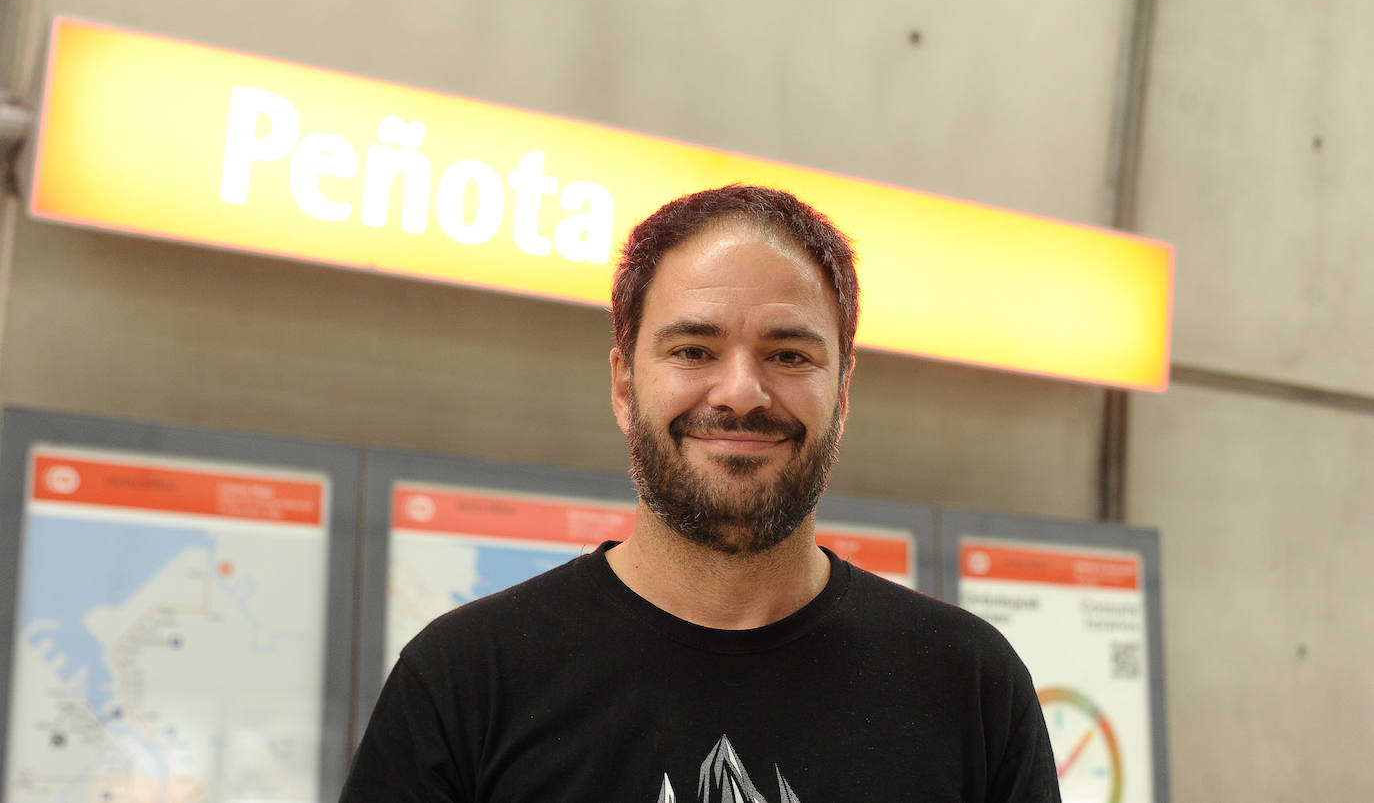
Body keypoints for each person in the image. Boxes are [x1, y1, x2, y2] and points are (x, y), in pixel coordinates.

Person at [339, 185, 1061, 802]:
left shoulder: (967, 687)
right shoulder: (467, 681)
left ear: (842, 392)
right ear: (625, 384)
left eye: (788, 354)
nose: (742, 392)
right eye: (693, 351)